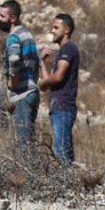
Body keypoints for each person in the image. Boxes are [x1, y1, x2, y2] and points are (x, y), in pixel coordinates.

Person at [38, 13, 80, 163]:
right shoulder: (62, 51)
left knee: (60, 152)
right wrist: (41, 62)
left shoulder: (68, 49)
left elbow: (57, 77)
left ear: (67, 30)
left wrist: (43, 82)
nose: (52, 31)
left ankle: (65, 184)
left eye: (56, 27)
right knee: (64, 150)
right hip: (58, 106)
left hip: (63, 106)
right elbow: (49, 82)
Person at [0, 0, 39, 149]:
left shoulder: (13, 37)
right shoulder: (27, 34)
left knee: (23, 145)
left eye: (2, 16)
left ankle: (26, 172)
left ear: (13, 18)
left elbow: (14, 59)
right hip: (32, 92)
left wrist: (12, 82)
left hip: (22, 95)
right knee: (30, 140)